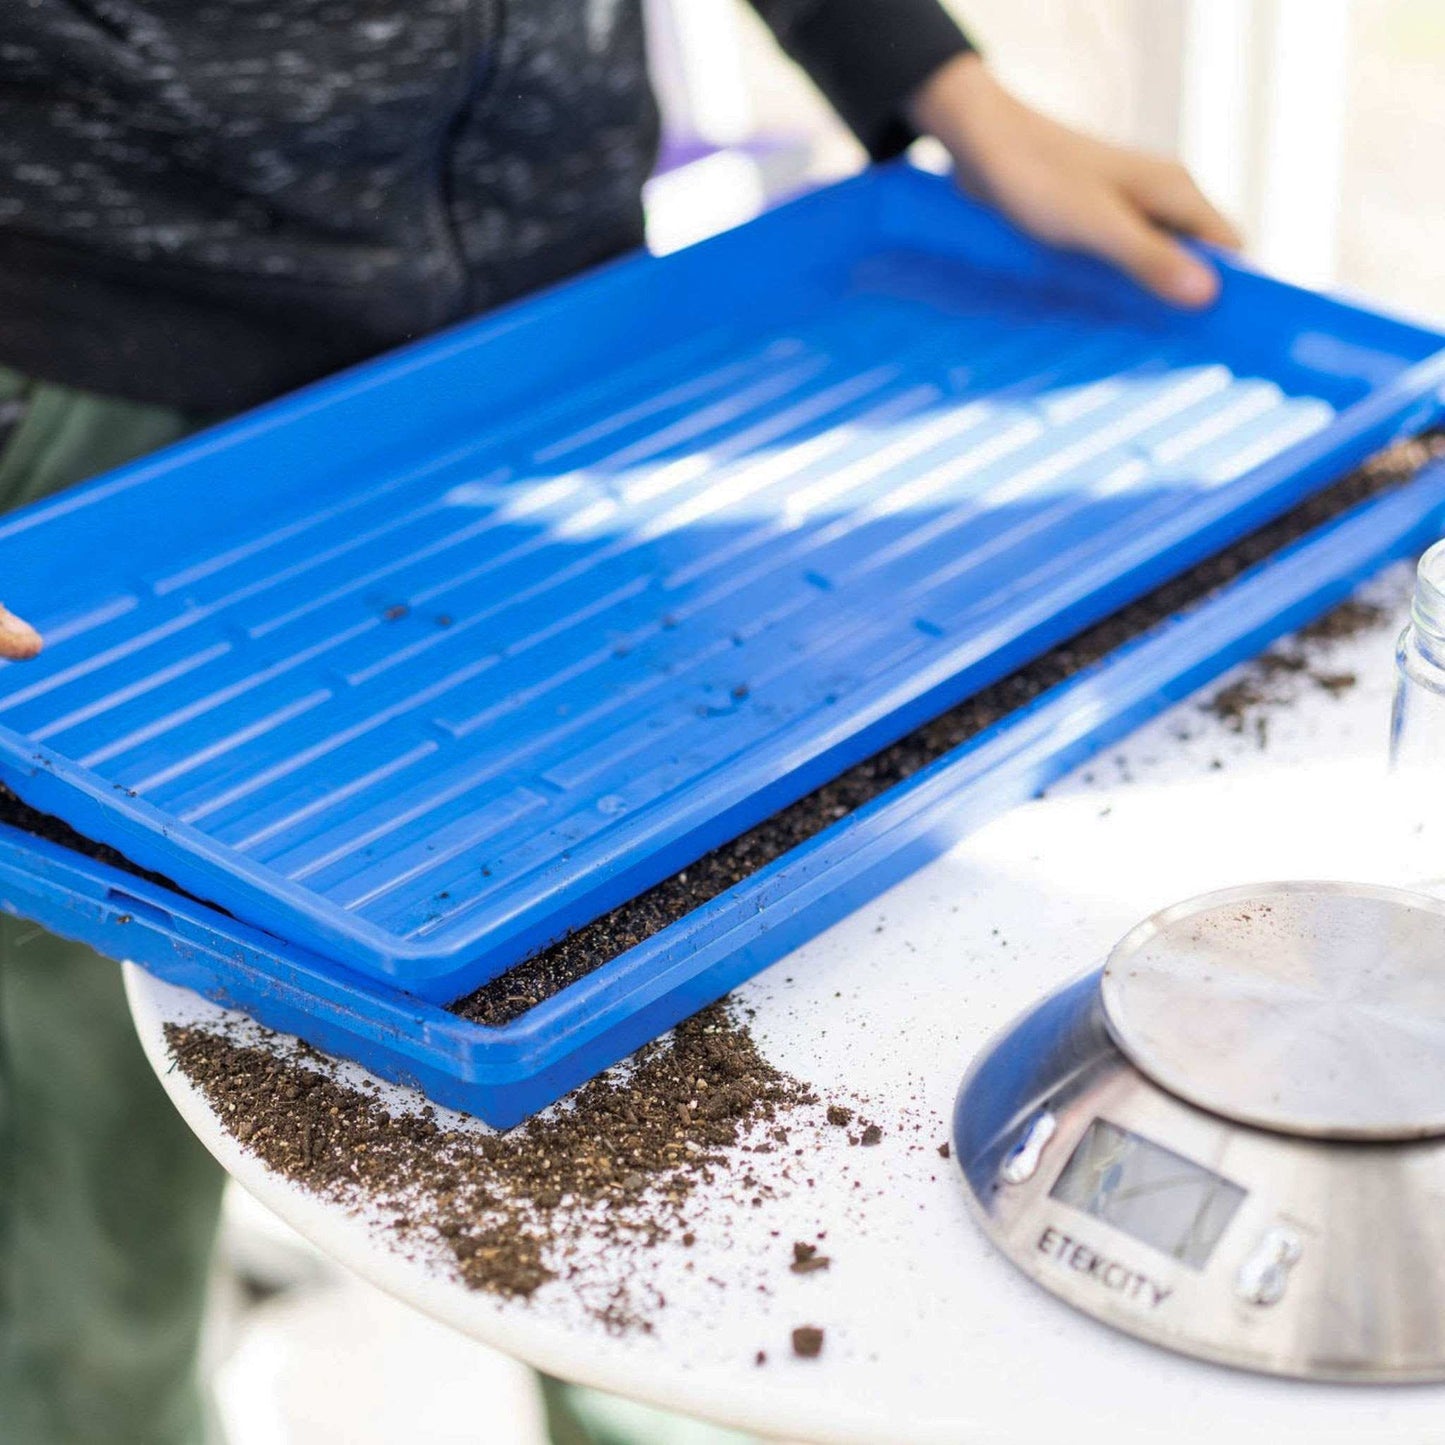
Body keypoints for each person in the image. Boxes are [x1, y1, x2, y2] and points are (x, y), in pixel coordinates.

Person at [0, 4, 1238, 1441]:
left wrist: (938, 86)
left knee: (653, 1211)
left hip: (578, 353)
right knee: (86, 1235)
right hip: (112, 416)